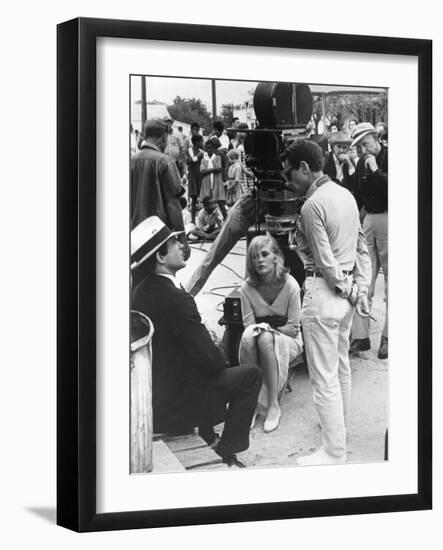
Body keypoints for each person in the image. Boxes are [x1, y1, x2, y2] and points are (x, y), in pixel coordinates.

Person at [131, 216, 262, 468]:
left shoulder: (140, 291)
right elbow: (212, 363)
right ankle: (227, 450)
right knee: (250, 376)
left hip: (154, 393)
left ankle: (209, 434)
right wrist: (216, 350)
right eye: (174, 243)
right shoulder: (177, 299)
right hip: (175, 405)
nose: (182, 246)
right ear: (160, 257)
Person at [281, 138, 371, 465]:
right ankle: (339, 433)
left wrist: (347, 288)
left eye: (291, 175)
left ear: (305, 168)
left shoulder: (311, 205)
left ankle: (333, 450)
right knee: (341, 367)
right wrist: (359, 289)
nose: (290, 182)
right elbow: (361, 249)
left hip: (324, 293)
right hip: (345, 296)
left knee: (323, 376)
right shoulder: (345, 194)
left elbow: (326, 262)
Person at [239, 235, 303, 433]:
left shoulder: (290, 284)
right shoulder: (246, 289)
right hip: (258, 338)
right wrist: (263, 331)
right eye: (254, 256)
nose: (259, 260)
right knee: (251, 339)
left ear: (276, 256)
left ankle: (273, 405)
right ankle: (253, 404)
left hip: (289, 340)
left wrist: (267, 329)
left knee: (264, 338)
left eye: (264, 254)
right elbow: (249, 327)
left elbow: (293, 328)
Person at [349, 122, 388, 359]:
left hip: (388, 216)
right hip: (368, 219)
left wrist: (375, 171)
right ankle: (361, 337)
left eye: (366, 143)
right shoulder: (363, 162)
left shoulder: (390, 156)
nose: (364, 149)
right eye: (360, 146)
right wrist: (349, 171)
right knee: (364, 277)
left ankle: (388, 337)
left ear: (376, 138)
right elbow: (357, 193)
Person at [130, 118, 190, 260]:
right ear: (164, 136)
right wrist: (183, 239)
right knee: (160, 277)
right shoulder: (165, 161)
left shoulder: (131, 161)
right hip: (159, 235)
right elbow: (173, 204)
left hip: (134, 235)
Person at [200, 137, 227, 219]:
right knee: (208, 203)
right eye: (207, 148)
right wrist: (213, 169)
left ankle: (226, 218)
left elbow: (219, 169)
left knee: (220, 202)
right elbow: (202, 172)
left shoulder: (217, 157)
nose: (209, 150)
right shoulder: (203, 159)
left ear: (214, 148)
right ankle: (209, 220)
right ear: (205, 149)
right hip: (207, 183)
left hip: (216, 183)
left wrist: (208, 170)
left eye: (211, 148)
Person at [323, 131, 356, 196]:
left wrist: (350, 165)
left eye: (344, 148)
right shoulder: (325, 160)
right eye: (339, 146)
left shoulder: (350, 161)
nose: (341, 150)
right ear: (333, 147)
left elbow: (354, 184)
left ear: (348, 149)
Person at [186, 133, 205, 223]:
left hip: (201, 177)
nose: (203, 143)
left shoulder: (202, 152)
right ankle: (193, 220)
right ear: (196, 142)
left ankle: (205, 220)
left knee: (204, 198)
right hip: (193, 177)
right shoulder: (189, 150)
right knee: (193, 199)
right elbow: (188, 161)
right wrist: (197, 157)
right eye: (201, 141)